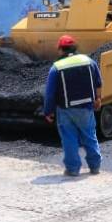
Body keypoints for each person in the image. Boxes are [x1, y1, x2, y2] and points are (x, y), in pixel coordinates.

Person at [43, 34, 103, 177]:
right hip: (86, 108)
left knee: (69, 139)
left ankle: (73, 169)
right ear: (75, 47)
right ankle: (95, 166)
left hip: (65, 110)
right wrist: (98, 99)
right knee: (89, 136)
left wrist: (48, 111)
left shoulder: (56, 68)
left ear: (60, 50)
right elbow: (98, 82)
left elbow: (50, 93)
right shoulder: (88, 61)